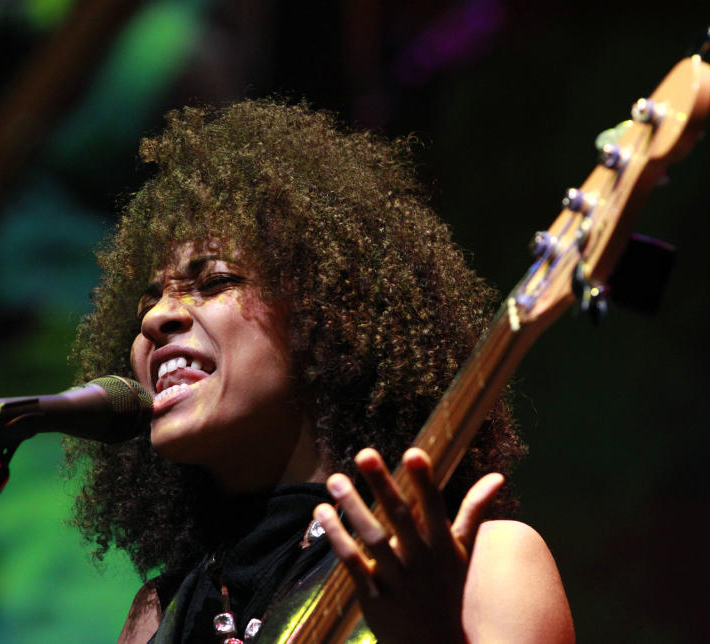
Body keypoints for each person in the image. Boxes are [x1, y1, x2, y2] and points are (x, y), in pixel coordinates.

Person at [64, 100, 574, 643]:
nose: (157, 317)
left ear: (327, 319)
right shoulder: (159, 619)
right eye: (149, 301)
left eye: (213, 281)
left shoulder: (485, 564)